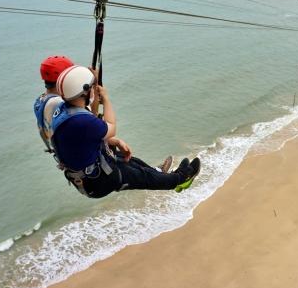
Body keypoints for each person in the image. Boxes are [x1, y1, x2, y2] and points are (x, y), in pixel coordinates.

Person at [50, 65, 200, 198]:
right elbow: (111, 127)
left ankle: (158, 172)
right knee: (142, 177)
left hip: (89, 174)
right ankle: (181, 179)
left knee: (131, 161)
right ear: (85, 91)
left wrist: (94, 82)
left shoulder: (65, 111)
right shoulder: (82, 121)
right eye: (91, 88)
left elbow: (90, 120)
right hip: (100, 182)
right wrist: (106, 99)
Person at [33, 55, 173, 173]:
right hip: (85, 159)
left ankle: (156, 171)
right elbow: (90, 116)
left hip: (75, 150)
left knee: (129, 160)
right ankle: (160, 175)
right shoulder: (60, 104)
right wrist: (95, 85)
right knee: (127, 169)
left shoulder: (41, 101)